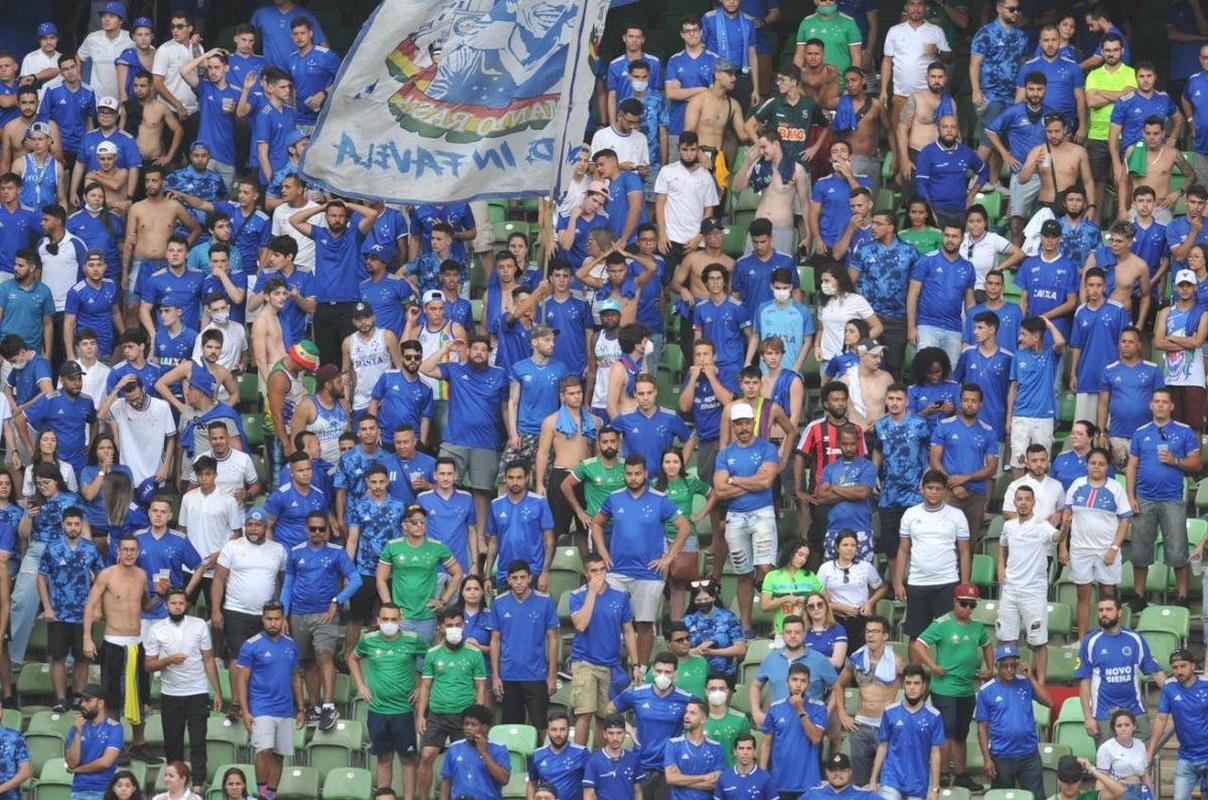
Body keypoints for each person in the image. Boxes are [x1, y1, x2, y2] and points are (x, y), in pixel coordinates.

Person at [911, 585, 994, 791]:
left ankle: (961, 774)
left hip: (966, 688)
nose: (968, 608)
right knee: (947, 732)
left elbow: (987, 645)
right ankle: (942, 773)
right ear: (955, 603)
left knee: (961, 733)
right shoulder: (941, 624)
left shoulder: (977, 628)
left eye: (972, 605)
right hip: (945, 688)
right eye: (964, 603)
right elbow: (918, 644)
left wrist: (990, 668)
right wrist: (932, 667)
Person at [283, 509, 360, 730]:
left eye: (321, 529)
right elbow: (288, 584)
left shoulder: (337, 552)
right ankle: (315, 706)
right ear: (306, 529)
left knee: (324, 654)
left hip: (325, 614)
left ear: (328, 531)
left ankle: (328, 706)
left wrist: (337, 600)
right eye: (313, 528)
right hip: (298, 613)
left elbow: (355, 580)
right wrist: (284, 614)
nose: (317, 532)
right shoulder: (296, 552)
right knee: (306, 662)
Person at [1126, 387, 1202, 607]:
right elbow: (1132, 466)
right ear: (1151, 405)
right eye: (1156, 401)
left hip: (1172, 499)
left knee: (1178, 550)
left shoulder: (1184, 431)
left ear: (1171, 406)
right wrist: (1130, 496)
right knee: (1140, 550)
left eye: (1164, 402)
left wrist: (1176, 461)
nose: (1160, 405)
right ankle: (1139, 597)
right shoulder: (1140, 432)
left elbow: (1196, 463)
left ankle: (1182, 597)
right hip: (1144, 498)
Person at [144, 587, 223, 794]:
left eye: (181, 603)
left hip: (197, 691)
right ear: (166, 605)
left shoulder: (198, 626)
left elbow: (208, 658)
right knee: (173, 742)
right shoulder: (156, 629)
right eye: (173, 603)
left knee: (198, 740)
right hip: (171, 693)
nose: (177, 607)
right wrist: (169, 660)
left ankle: (197, 784)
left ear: (186, 605)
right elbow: (149, 665)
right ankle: (175, 785)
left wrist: (217, 691)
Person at [713, 402, 780, 631]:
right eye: (738, 424)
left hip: (762, 513)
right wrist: (753, 482)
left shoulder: (767, 448)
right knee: (743, 573)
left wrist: (736, 480)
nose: (742, 428)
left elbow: (766, 481)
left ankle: (779, 623)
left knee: (765, 569)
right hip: (736, 516)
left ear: (753, 423)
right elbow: (720, 490)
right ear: (732, 425)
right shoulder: (725, 454)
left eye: (746, 423)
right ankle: (745, 626)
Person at [348, 602, 428, 793]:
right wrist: (361, 685)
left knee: (408, 760)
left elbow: (431, 659)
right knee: (383, 759)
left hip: (404, 710)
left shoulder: (413, 639)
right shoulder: (368, 640)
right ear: (378, 620)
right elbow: (352, 658)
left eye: (393, 619)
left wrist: (421, 687)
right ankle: (384, 797)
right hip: (378, 711)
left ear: (400, 620)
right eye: (385, 619)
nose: (389, 623)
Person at [569, 552, 641, 746]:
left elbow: (628, 630)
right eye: (594, 571)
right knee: (584, 713)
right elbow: (581, 625)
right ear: (586, 574)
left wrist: (636, 664)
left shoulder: (619, 596)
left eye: (602, 569)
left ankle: (603, 759)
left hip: (611, 665)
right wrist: (592, 593)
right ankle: (580, 760)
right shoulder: (576, 596)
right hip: (584, 661)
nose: (599, 574)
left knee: (606, 716)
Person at [416, 606, 489, 797]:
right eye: (449, 625)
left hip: (464, 717)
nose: (454, 628)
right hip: (437, 714)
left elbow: (480, 687)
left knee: (464, 759)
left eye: (458, 624)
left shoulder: (474, 653)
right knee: (426, 755)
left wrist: (478, 720)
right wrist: (420, 716)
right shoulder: (432, 653)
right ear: (441, 627)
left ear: (464, 625)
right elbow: (425, 686)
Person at [37, 505, 103, 710]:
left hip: (83, 613)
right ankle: (60, 699)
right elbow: (40, 578)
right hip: (58, 613)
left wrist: (98, 606)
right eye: (69, 524)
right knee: (58, 657)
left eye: (77, 524)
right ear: (63, 525)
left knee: (83, 658)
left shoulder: (91, 548)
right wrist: (46, 607)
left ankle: (78, 696)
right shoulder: (52, 547)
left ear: (82, 525)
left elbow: (101, 578)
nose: (73, 527)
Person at [606, 651, 696, 799]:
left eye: (668, 672)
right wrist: (628, 729)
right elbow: (610, 709)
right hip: (641, 764)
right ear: (653, 672)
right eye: (659, 671)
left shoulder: (686, 698)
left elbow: (702, 716)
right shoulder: (636, 693)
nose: (663, 675)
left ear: (675, 675)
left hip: (670, 768)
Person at [1075, 596, 1165, 743]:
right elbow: (1084, 681)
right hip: (1104, 715)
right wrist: (1088, 717)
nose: (1104, 613)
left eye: (1109, 609)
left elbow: (1155, 671)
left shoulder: (1135, 638)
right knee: (1109, 764)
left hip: (1135, 712)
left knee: (1142, 761)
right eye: (1101, 610)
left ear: (1120, 613)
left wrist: (1176, 696)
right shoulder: (1090, 641)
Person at [486, 560, 559, 740]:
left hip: (537, 676)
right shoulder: (499, 603)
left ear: (530, 578)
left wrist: (552, 676)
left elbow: (552, 640)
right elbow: (495, 640)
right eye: (514, 578)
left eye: (523, 577)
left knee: (541, 727)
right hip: (509, 676)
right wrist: (495, 676)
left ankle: (543, 765)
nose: (519, 582)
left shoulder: (545, 602)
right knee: (512, 731)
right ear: (508, 580)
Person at [895, 470, 971, 637]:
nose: (934, 492)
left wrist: (964, 584)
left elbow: (964, 552)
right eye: (930, 488)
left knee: (948, 635)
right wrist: (898, 582)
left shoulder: (957, 515)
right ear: (921, 489)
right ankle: (915, 665)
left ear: (944, 491)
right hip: (917, 583)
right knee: (916, 636)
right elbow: (903, 550)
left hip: (947, 582)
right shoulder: (910, 514)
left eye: (938, 488)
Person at [975, 644, 1051, 800]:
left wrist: (1031, 677)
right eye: (1005, 666)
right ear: (997, 666)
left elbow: (1049, 702)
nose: (1009, 669)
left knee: (1036, 797)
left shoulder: (1026, 683)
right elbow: (982, 728)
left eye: (1013, 665)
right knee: (1002, 797)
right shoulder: (986, 691)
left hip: (1029, 754)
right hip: (1002, 756)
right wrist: (987, 759)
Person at [211, 508, 287, 662]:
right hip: (236, 611)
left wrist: (283, 614)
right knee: (237, 659)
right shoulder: (232, 547)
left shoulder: (278, 550)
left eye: (258, 525)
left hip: (266, 616)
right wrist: (215, 610)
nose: (253, 528)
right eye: (249, 524)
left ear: (265, 527)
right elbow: (218, 579)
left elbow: (286, 583)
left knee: (263, 659)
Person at [867, 665, 945, 800]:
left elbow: (935, 753)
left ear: (924, 685)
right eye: (908, 683)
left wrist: (934, 788)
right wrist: (873, 779)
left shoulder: (934, 716)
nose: (912, 687)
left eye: (916, 683)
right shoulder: (890, 712)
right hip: (892, 777)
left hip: (918, 782)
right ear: (903, 685)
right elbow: (883, 746)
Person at [1099, 327, 1164, 469]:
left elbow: (1162, 405)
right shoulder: (1109, 370)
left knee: (1143, 474)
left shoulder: (1153, 370)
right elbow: (1103, 404)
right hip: (1117, 435)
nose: (1126, 345)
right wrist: (1101, 433)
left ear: (1139, 345)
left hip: (1145, 435)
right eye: (1123, 341)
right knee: (1120, 475)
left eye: (1130, 342)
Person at [1147, 648, 1208, 800]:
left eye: (1183, 666)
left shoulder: (1206, 685)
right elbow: (1161, 719)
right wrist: (1150, 750)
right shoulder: (1169, 687)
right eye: (1175, 667)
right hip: (1186, 756)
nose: (1179, 671)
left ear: (1193, 666)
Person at [759, 662, 826, 798]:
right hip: (779, 781)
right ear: (787, 682)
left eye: (803, 681)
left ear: (808, 684)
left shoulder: (819, 707)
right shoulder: (775, 708)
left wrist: (800, 710)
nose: (798, 684)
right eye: (794, 679)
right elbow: (766, 744)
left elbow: (816, 738)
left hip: (808, 782)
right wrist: (762, 774)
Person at [440, 704, 512, 800]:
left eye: (473, 725)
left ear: (485, 727)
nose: (468, 728)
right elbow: (446, 781)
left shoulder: (498, 748)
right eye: (466, 724)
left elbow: (503, 779)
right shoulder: (454, 748)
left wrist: (484, 752)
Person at [65, 684, 124, 800]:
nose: (82, 704)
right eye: (82, 701)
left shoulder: (115, 728)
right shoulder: (76, 727)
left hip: (105, 790)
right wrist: (77, 733)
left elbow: (105, 762)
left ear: (100, 703)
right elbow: (71, 763)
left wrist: (77, 770)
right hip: (79, 790)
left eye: (87, 700)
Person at [664, 699, 726, 800]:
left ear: (703, 719)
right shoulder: (673, 744)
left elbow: (715, 783)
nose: (686, 716)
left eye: (692, 713)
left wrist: (681, 780)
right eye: (686, 712)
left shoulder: (716, 748)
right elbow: (671, 778)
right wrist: (704, 777)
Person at [529, 711, 590, 800]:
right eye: (554, 729)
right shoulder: (537, 755)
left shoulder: (582, 753)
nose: (558, 734)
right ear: (547, 731)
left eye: (562, 729)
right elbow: (532, 783)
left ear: (568, 730)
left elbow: (593, 785)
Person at [716, 733, 774, 800]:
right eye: (741, 748)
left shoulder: (766, 779)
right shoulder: (724, 778)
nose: (745, 752)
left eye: (749, 748)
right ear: (735, 751)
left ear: (754, 751)